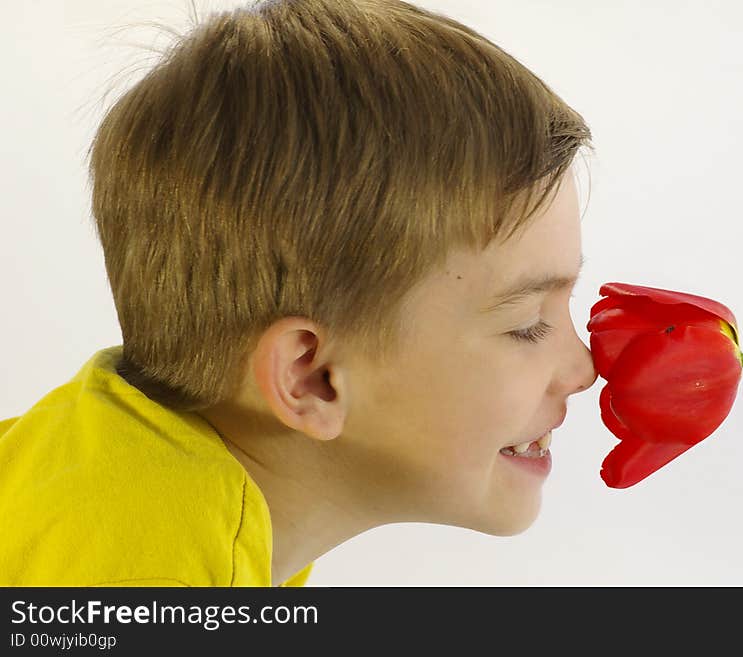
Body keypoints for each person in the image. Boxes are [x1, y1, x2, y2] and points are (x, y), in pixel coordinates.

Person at [0, 0, 597, 587]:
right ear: (312, 377)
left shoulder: (115, 466)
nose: (585, 368)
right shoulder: (151, 577)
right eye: (526, 323)